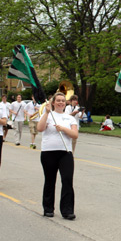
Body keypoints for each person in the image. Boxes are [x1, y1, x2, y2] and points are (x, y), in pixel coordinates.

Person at [37, 92, 78, 220]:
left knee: (67, 180)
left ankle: (67, 210)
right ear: (53, 103)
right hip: (48, 152)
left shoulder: (70, 118)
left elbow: (74, 135)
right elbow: (40, 128)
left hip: (65, 153)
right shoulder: (48, 115)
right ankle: (48, 209)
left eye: (63, 100)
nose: (61, 102)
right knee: (50, 180)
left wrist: (63, 129)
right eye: (58, 100)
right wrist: (46, 113)